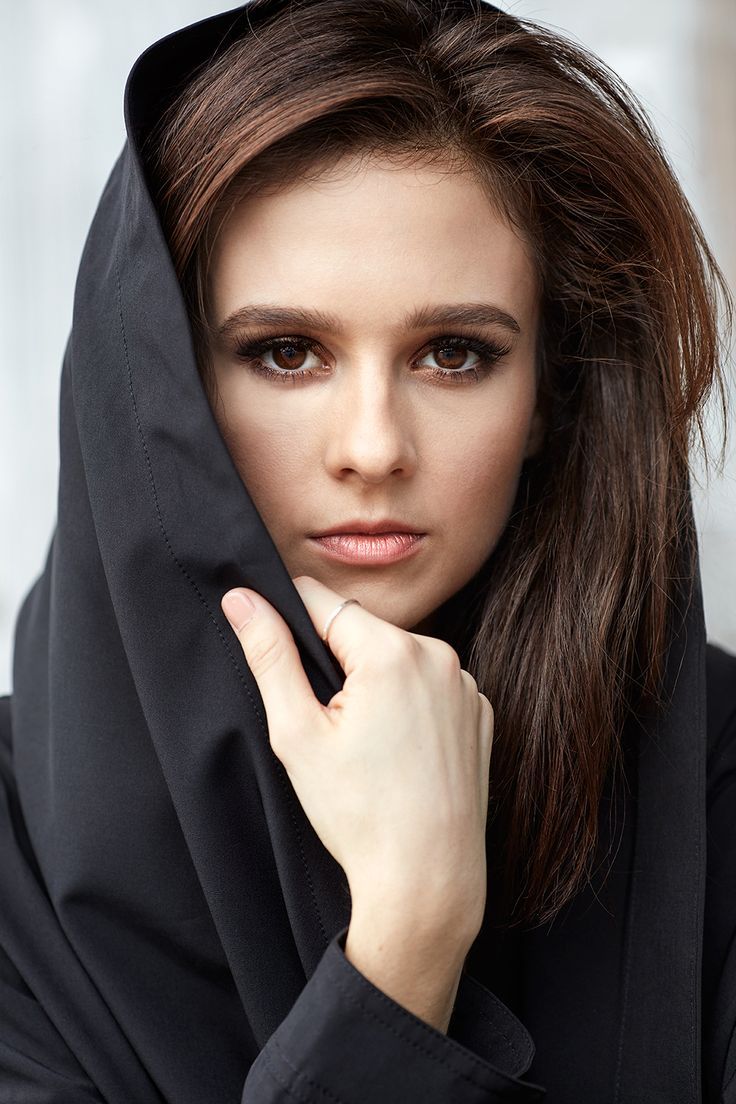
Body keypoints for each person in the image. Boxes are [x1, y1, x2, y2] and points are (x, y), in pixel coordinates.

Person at [1, 0, 735, 1100]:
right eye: (286, 353)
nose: (374, 448)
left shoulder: (716, 781)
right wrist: (409, 935)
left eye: (454, 354)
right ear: (160, 386)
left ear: (549, 395)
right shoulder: (12, 853)